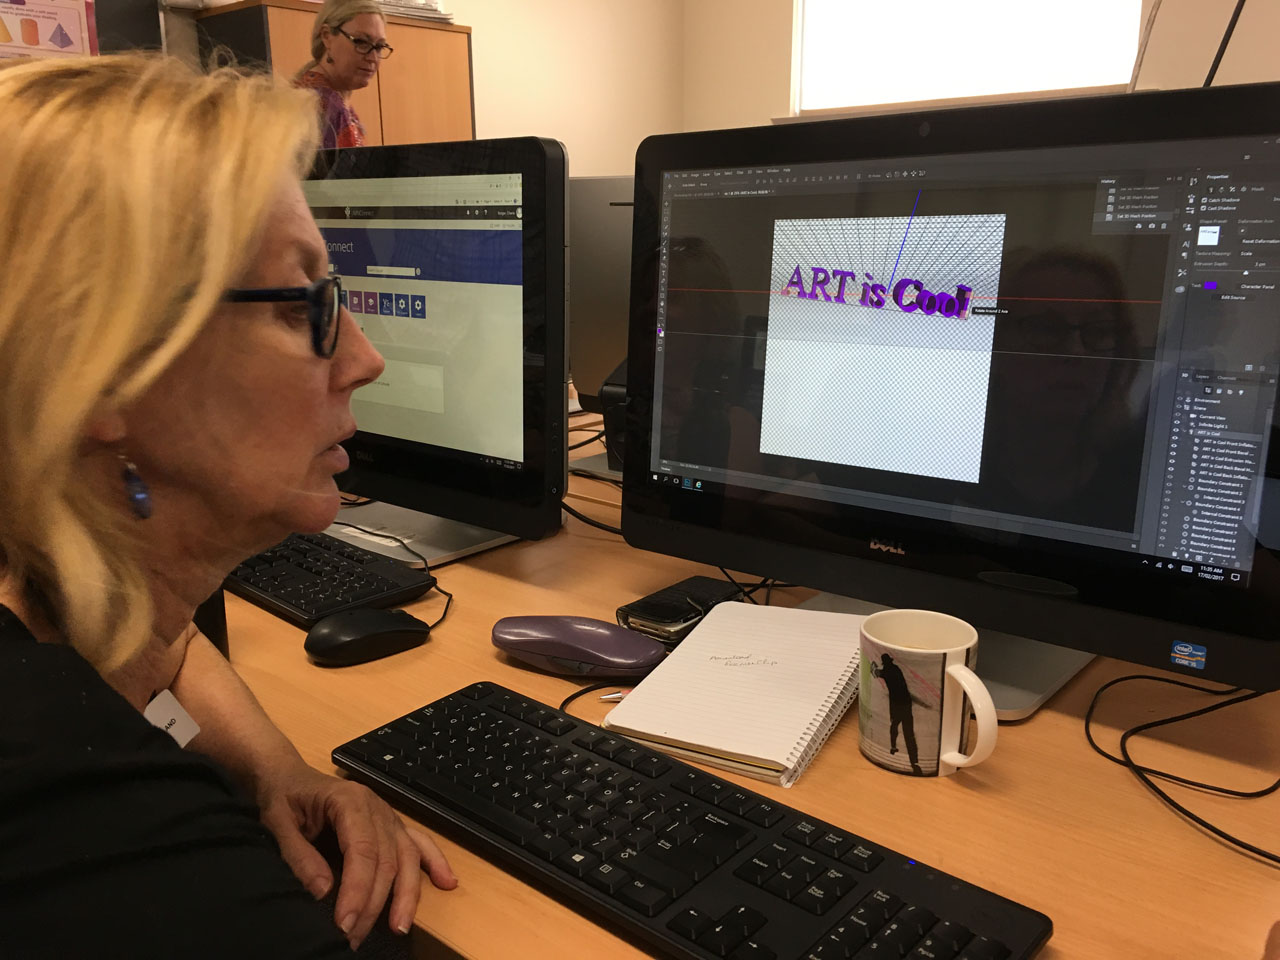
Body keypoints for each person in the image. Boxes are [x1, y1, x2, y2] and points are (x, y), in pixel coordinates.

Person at [0, 54, 454, 958]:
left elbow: (157, 642)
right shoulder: (76, 821)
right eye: (302, 307)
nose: (364, 359)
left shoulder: (48, 558)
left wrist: (277, 770)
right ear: (104, 371)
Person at [295, 0, 392, 149]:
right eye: (361, 42)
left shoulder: (324, 95)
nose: (373, 57)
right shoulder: (327, 107)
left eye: (379, 47)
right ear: (327, 36)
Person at [869, 653, 923, 775]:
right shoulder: (896, 669)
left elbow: (875, 673)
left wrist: (873, 665)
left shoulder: (886, 672)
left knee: (894, 726)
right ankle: (914, 760)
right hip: (906, 703)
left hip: (897, 705)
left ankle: (893, 746)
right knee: (909, 732)